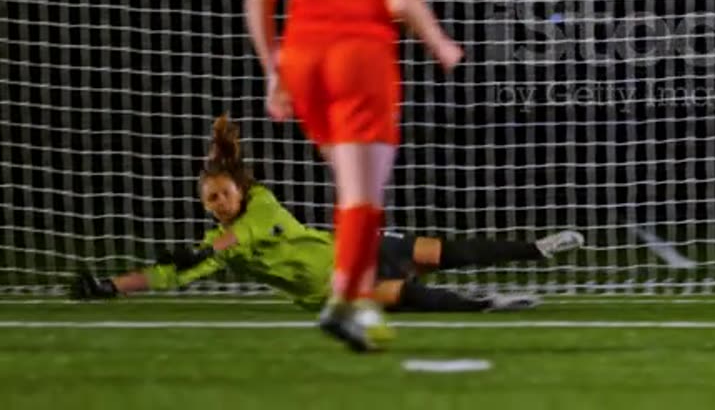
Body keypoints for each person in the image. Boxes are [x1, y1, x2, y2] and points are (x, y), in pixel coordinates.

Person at [244, 0, 465, 351]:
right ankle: (345, 303)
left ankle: (354, 301)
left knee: (352, 194)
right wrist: (440, 43)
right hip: (357, 60)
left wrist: (276, 71)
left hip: (303, 60)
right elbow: (399, 0)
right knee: (363, 197)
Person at [69, 114, 585, 314]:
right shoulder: (220, 244)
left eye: (222, 194)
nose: (218, 204)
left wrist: (201, 250)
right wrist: (113, 285)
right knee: (411, 296)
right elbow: (168, 274)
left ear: (240, 189)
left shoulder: (261, 204)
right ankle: (490, 304)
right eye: (210, 200)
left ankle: (536, 248)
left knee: (443, 252)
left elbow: (235, 239)